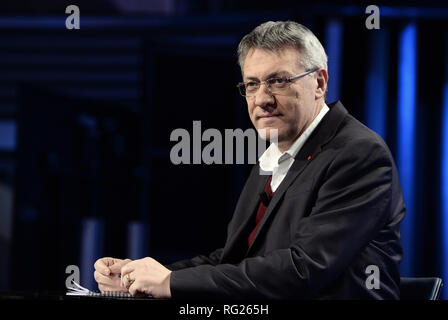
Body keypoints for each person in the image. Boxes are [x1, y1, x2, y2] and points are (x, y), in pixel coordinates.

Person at [94, 21, 405, 300]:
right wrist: (143, 278)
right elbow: (233, 260)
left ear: (320, 83)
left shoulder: (359, 154)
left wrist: (173, 283)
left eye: (279, 81)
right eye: (252, 84)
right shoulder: (275, 155)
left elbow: (302, 270)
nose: (262, 99)